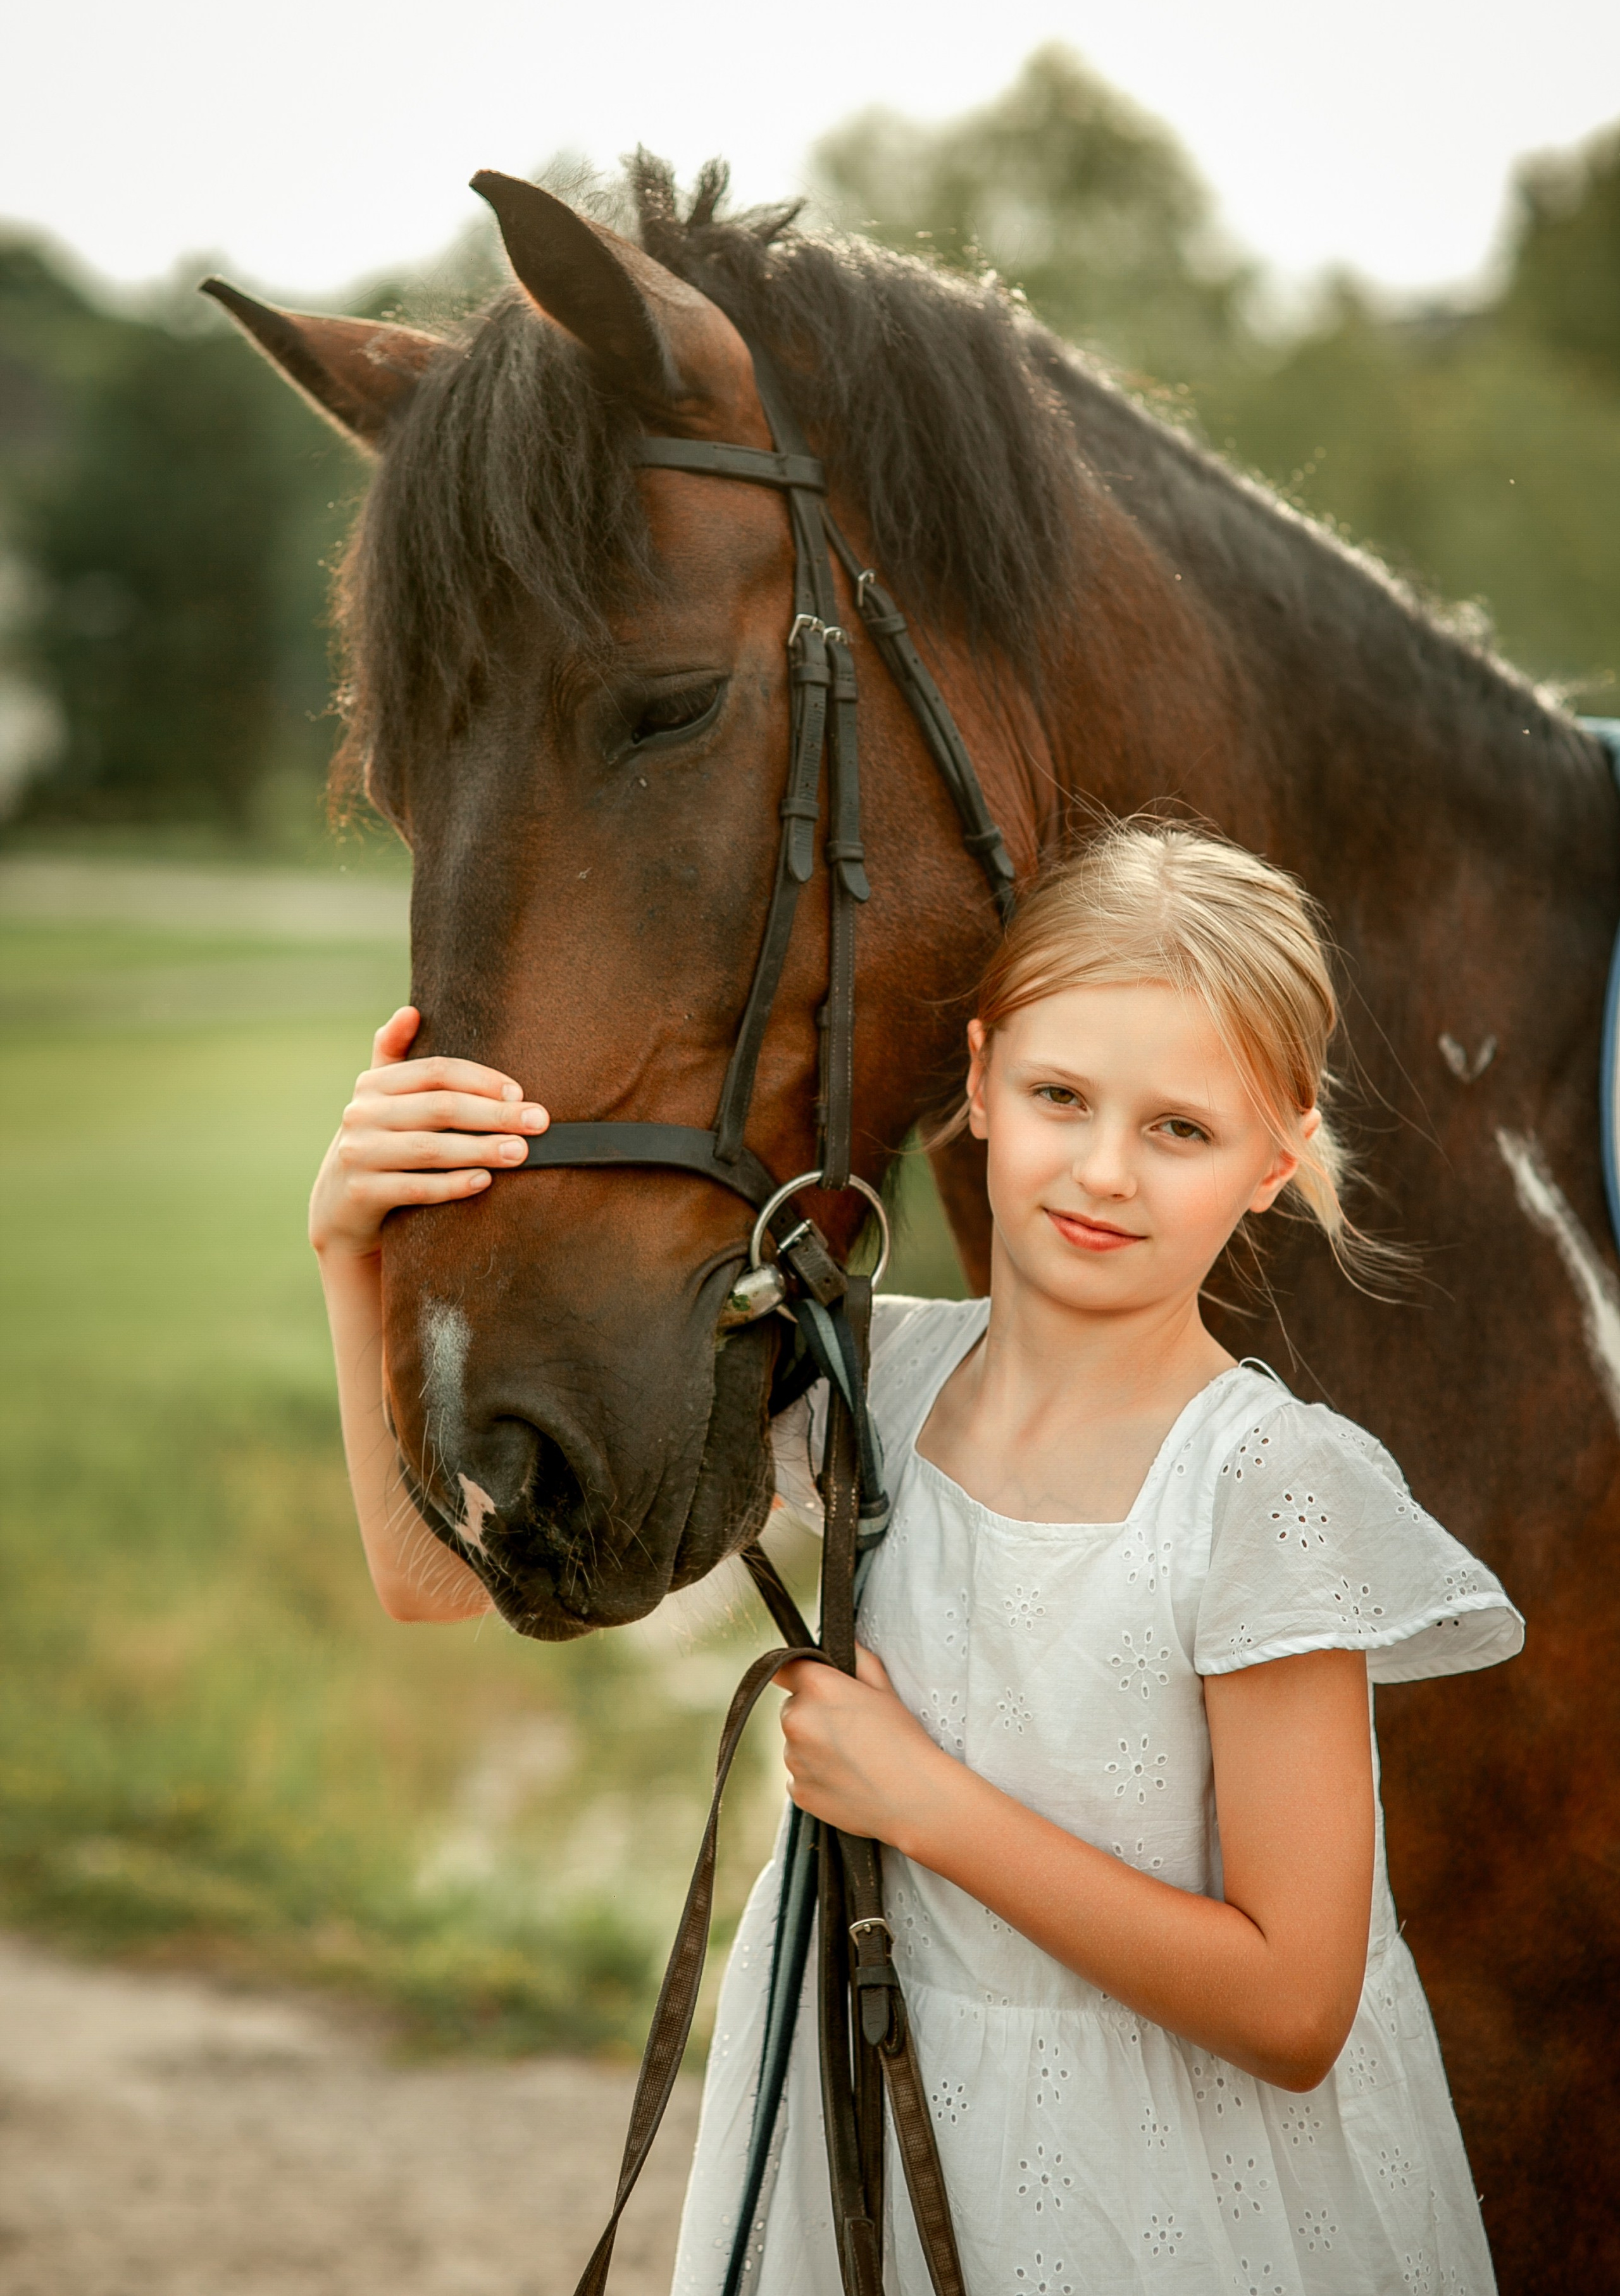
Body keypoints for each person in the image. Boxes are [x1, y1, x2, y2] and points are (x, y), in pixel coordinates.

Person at [311, 821, 1521, 2295]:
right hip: (866, 2127)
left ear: (1274, 1160)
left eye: (1178, 1130)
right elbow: (435, 1579)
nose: (1099, 1171)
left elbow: (1293, 2004)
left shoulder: (1262, 1488)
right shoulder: (861, 1385)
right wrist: (352, 1256)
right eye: (1058, 1095)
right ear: (977, 1084)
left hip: (1177, 2197)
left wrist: (921, 1803)